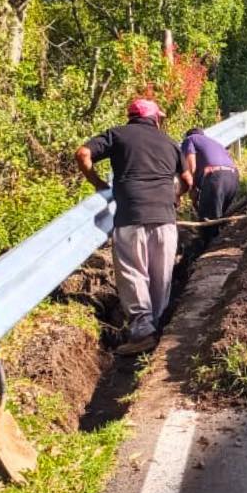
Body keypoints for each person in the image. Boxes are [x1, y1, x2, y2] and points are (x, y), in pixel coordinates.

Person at [75, 98, 192, 356]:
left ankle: (142, 331)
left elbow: (83, 154)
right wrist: (175, 195)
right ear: (155, 119)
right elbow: (186, 179)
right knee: (160, 275)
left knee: (133, 272)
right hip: (165, 219)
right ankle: (157, 326)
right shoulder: (170, 142)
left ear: (131, 116)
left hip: (131, 216)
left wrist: (97, 183)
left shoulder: (117, 135)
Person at [182, 127, 239, 240]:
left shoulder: (190, 139)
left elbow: (191, 166)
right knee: (221, 218)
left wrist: (191, 188)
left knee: (209, 222)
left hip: (216, 178)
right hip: (233, 177)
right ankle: (219, 243)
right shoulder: (216, 143)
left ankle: (206, 251)